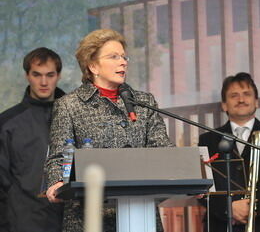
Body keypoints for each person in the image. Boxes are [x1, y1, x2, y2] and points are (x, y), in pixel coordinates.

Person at [45, 29, 172, 232]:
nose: (123, 62)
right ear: (93, 65)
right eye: (114, 57)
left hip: (141, 214)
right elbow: (59, 156)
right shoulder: (69, 105)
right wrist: (57, 181)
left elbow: (162, 149)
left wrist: (183, 173)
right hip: (86, 218)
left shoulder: (144, 102)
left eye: (123, 56)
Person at [198, 72, 260, 232]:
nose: (241, 100)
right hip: (220, 225)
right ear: (224, 105)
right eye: (234, 95)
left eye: (246, 94)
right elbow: (202, 188)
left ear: (256, 102)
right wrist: (228, 208)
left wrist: (252, 208)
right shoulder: (208, 140)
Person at [0, 47, 65, 232]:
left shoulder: (76, 118)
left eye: (50, 75)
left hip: (71, 221)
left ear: (58, 76)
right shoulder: (7, 123)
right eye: (37, 75)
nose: (43, 82)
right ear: (27, 76)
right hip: (23, 222)